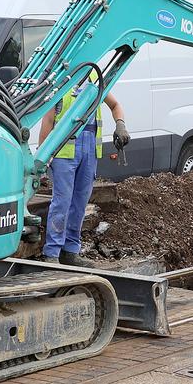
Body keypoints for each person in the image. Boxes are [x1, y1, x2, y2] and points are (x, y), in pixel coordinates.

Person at [39, 76, 131, 266]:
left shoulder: (96, 79)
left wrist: (120, 124)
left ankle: (70, 251)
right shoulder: (60, 81)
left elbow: (115, 105)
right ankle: (52, 253)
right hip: (64, 152)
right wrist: (42, 159)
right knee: (62, 203)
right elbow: (47, 121)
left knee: (80, 203)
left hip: (89, 152)